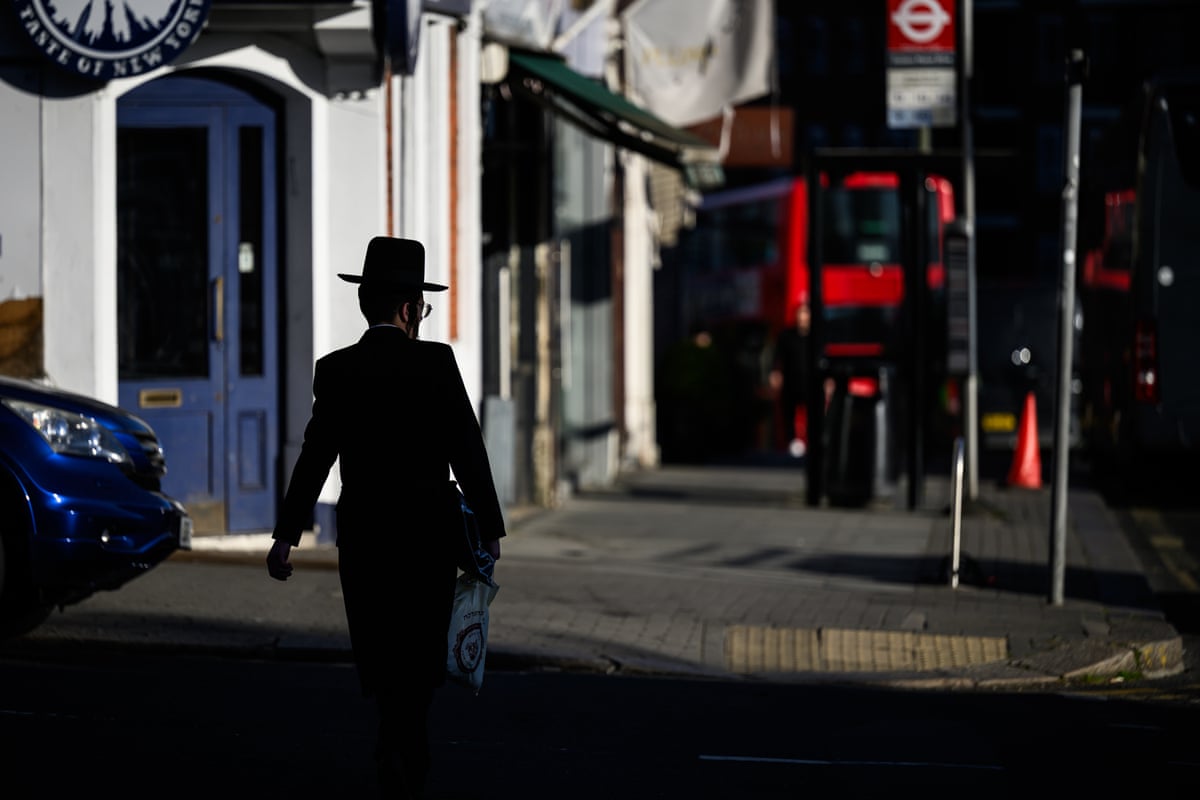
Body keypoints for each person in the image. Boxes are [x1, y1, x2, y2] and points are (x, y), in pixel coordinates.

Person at [266, 236, 506, 799]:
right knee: (420, 650)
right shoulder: (436, 363)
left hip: (367, 534)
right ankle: (407, 744)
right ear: (408, 309)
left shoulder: (337, 370)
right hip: (428, 535)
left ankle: (393, 740)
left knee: (378, 646)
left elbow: (314, 457)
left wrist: (285, 538)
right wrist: (491, 532)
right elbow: (469, 448)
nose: (421, 316)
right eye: (421, 307)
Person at [769, 299, 811, 458]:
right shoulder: (786, 335)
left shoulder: (816, 336)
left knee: (813, 414)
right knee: (789, 414)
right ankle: (793, 442)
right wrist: (775, 372)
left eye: (805, 313)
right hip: (791, 382)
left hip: (810, 383)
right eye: (800, 313)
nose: (802, 317)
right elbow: (777, 356)